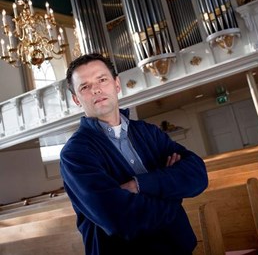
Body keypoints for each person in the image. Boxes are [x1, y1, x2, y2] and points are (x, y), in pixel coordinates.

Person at [59, 53, 208, 254]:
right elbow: (121, 219)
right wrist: (174, 195)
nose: (96, 89)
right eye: (85, 87)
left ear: (116, 84)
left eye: (102, 79)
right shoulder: (74, 154)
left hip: (179, 247)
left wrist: (140, 185)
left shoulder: (149, 132)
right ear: (76, 99)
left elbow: (198, 176)